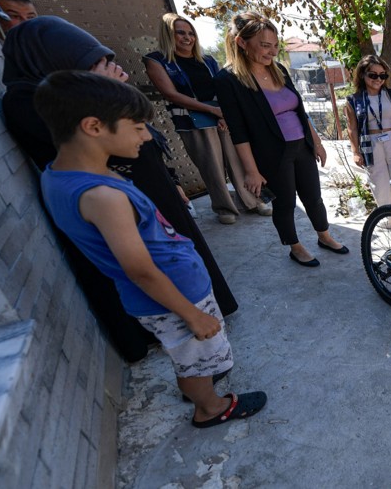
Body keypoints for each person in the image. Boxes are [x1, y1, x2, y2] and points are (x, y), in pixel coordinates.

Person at [36, 70, 266, 428]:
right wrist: (191, 314)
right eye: (138, 126)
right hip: (175, 297)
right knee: (197, 352)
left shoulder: (58, 176)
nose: (146, 136)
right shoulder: (102, 197)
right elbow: (139, 269)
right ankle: (210, 406)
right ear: (94, 126)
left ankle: (193, 384)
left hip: (167, 292)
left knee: (188, 354)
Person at [1, 15, 238, 360]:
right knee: (174, 317)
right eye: (100, 64)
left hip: (148, 193)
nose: (117, 72)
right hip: (124, 213)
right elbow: (138, 267)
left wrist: (170, 181)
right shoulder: (30, 103)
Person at [215, 11, 347, 268]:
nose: (272, 52)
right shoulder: (227, 80)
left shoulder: (280, 70)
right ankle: (295, 247)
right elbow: (238, 130)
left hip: (302, 145)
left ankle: (324, 236)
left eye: (275, 46)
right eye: (265, 46)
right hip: (271, 152)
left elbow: (300, 110)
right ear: (242, 42)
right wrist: (251, 171)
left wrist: (316, 142)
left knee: (313, 197)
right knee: (285, 203)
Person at [144, 13, 271, 225]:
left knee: (239, 161)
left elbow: (222, 89)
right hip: (191, 122)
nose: (187, 38)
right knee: (211, 167)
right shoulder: (156, 61)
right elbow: (171, 95)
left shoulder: (208, 60)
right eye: (180, 33)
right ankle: (224, 207)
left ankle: (255, 200)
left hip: (222, 117)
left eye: (191, 33)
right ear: (168, 35)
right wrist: (212, 111)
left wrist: (225, 114)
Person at [345, 55, 391, 222]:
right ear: (362, 75)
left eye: (382, 75)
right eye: (373, 74)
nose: (378, 79)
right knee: (379, 185)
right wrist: (355, 152)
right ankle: (388, 220)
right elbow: (352, 128)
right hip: (371, 144)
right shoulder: (353, 100)